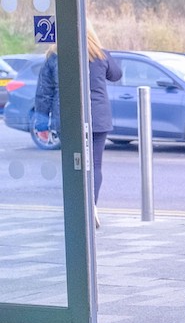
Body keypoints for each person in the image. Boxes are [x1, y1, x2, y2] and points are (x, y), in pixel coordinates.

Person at [34, 26, 122, 227]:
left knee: (74, 166)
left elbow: (44, 90)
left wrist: (41, 121)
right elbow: (116, 74)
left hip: (68, 118)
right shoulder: (100, 55)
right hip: (98, 119)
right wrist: (102, 51)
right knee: (95, 165)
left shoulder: (55, 56)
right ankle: (91, 207)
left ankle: (78, 211)